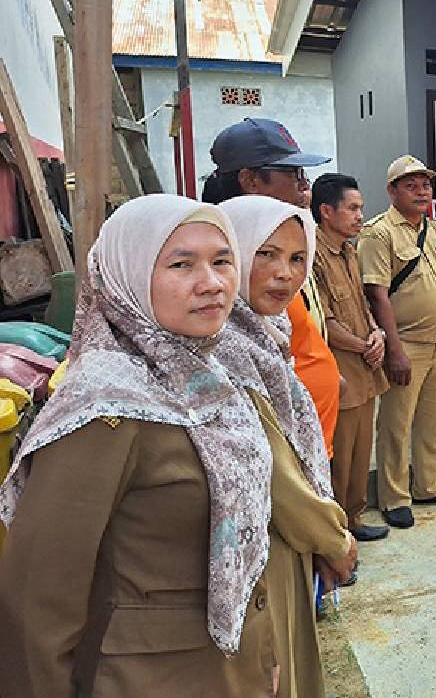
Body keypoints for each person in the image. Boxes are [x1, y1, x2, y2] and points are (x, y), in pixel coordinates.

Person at [0, 195, 276, 697]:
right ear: (126, 277)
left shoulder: (215, 379)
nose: (211, 283)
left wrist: (264, 654)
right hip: (147, 679)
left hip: (231, 670)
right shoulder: (102, 410)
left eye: (221, 261)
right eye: (180, 264)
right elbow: (38, 601)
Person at [220, 195, 357, 698]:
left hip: (287, 542)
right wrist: (334, 539)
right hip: (265, 551)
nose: (285, 273)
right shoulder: (224, 348)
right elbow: (276, 472)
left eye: (298, 259)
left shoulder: (262, 331)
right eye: (266, 254)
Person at [203, 117, 342, 457]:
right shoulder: (222, 278)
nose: (303, 187)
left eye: (296, 259)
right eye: (292, 175)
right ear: (250, 180)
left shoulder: (289, 242)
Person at [359, 156, 436, 529]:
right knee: (396, 424)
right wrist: (394, 351)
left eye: (425, 184)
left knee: (434, 422)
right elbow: (376, 294)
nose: (422, 191)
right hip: (406, 344)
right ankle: (394, 497)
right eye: (411, 185)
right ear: (392, 191)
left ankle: (429, 485)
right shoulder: (378, 233)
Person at [309, 174, 392, 542]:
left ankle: (354, 520)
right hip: (339, 370)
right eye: (353, 208)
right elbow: (324, 321)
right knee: (338, 460)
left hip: (365, 366)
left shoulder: (349, 251)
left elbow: (362, 304)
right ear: (327, 212)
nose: (361, 216)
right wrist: (364, 345)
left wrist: (377, 333)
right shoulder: (312, 255)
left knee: (360, 455)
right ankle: (336, 534)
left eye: (361, 208)